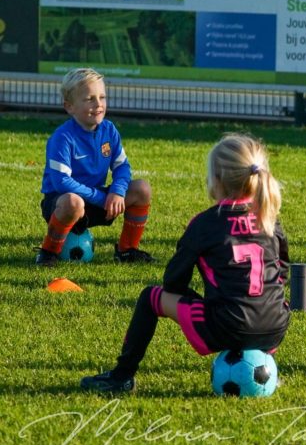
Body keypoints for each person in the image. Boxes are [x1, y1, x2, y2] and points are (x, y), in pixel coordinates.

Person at [80, 133, 291, 393]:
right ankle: (269, 367)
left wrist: (201, 298)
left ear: (217, 180)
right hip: (275, 328)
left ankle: (121, 376)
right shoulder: (270, 219)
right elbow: (282, 274)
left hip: (224, 326)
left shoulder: (205, 224)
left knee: (151, 298)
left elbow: (173, 281)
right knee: (267, 302)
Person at [35, 68, 153, 267]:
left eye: (102, 97)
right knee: (73, 202)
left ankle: (127, 250)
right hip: (62, 203)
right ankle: (48, 253)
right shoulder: (62, 138)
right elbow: (62, 182)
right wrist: (102, 199)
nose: (98, 104)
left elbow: (122, 167)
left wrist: (116, 192)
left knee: (141, 189)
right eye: (89, 99)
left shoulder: (109, 130)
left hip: (99, 202)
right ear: (69, 106)